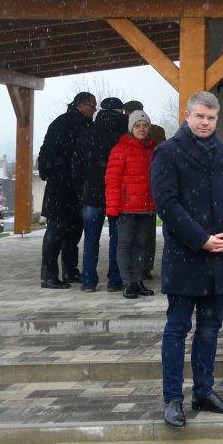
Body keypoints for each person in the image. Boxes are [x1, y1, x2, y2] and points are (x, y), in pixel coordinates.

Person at [150, 91, 223, 429]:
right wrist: (201, 239)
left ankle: (204, 392)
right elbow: (167, 204)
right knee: (177, 328)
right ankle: (173, 398)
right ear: (187, 115)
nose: (205, 123)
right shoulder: (168, 152)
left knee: (210, 329)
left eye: (210, 118)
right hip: (185, 256)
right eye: (199, 116)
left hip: (219, 255)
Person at [37, 91, 96, 289]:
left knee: (72, 230)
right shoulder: (77, 125)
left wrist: (50, 172)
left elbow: (45, 154)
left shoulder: (61, 123)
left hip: (65, 184)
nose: (94, 111)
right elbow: (50, 154)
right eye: (92, 107)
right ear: (81, 104)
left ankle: (68, 270)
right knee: (58, 229)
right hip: (65, 186)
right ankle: (50, 274)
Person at [73, 97, 128, 293]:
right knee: (117, 239)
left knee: (90, 239)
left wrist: (82, 189)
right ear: (121, 111)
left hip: (91, 192)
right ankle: (115, 280)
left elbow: (77, 165)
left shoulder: (88, 132)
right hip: (116, 193)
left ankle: (88, 282)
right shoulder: (124, 134)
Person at [105, 109, 157, 299]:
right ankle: (127, 282)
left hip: (147, 207)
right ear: (131, 128)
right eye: (137, 125)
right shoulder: (120, 150)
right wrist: (113, 206)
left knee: (143, 245)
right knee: (125, 244)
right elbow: (112, 180)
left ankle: (138, 281)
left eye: (145, 126)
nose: (141, 129)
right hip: (127, 208)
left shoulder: (153, 150)